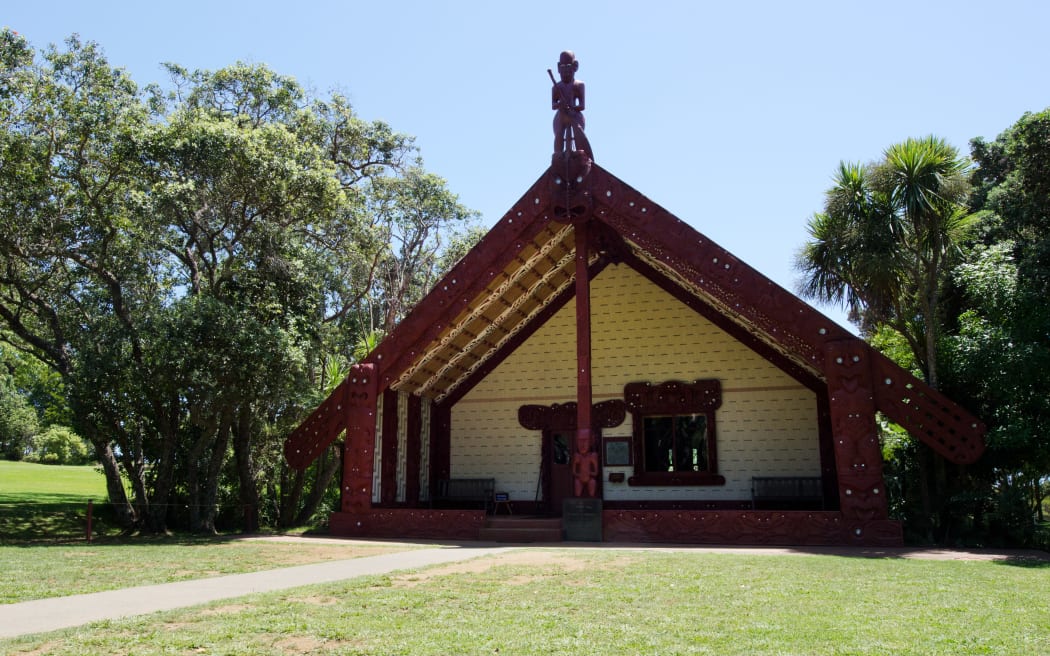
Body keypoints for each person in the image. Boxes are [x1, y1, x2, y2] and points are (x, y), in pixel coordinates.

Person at [552, 50, 592, 159]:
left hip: (574, 114)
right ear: (559, 68)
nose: (565, 71)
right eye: (563, 67)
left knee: (578, 129)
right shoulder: (557, 87)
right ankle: (558, 154)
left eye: (568, 67)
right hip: (561, 115)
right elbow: (553, 105)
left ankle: (582, 152)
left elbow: (582, 105)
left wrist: (573, 108)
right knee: (559, 133)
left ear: (575, 67)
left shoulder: (579, 85)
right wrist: (560, 105)